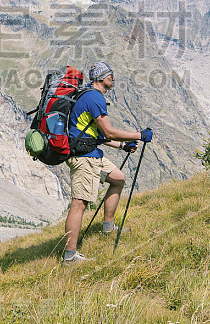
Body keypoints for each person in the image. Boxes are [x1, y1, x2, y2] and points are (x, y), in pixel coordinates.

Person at [63, 61, 153, 264]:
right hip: (83, 158)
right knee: (79, 203)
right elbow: (109, 131)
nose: (113, 78)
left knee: (118, 179)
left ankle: (108, 227)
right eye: (111, 75)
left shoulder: (89, 95)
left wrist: (122, 146)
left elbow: (96, 134)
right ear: (102, 77)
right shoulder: (95, 98)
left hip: (92, 153)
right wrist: (139, 135)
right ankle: (70, 257)